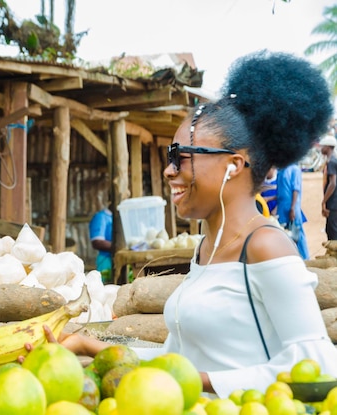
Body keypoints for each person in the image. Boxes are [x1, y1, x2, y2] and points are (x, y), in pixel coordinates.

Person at [57, 51, 337, 398]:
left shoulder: (265, 245)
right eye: (169, 158)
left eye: (181, 156)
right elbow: (178, 361)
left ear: (233, 165)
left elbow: (319, 366)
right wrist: (85, 345)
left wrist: (198, 382)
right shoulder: (208, 249)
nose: (169, 170)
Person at [276, 163, 309, 259]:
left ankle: (305, 259)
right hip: (282, 208)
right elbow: (280, 192)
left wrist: (292, 208)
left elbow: (296, 190)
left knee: (297, 234)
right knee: (284, 234)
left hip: (292, 208)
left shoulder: (294, 169)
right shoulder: (280, 170)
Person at [89, 206, 113, 284]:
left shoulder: (122, 216)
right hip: (106, 261)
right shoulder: (101, 217)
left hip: (119, 260)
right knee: (106, 288)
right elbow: (97, 242)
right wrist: (118, 247)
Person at [320, 134, 337, 240]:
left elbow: (333, 183)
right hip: (334, 202)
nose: (321, 148)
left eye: (323, 146)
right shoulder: (332, 160)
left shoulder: (331, 162)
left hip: (333, 203)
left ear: (328, 147)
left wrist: (324, 201)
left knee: (332, 231)